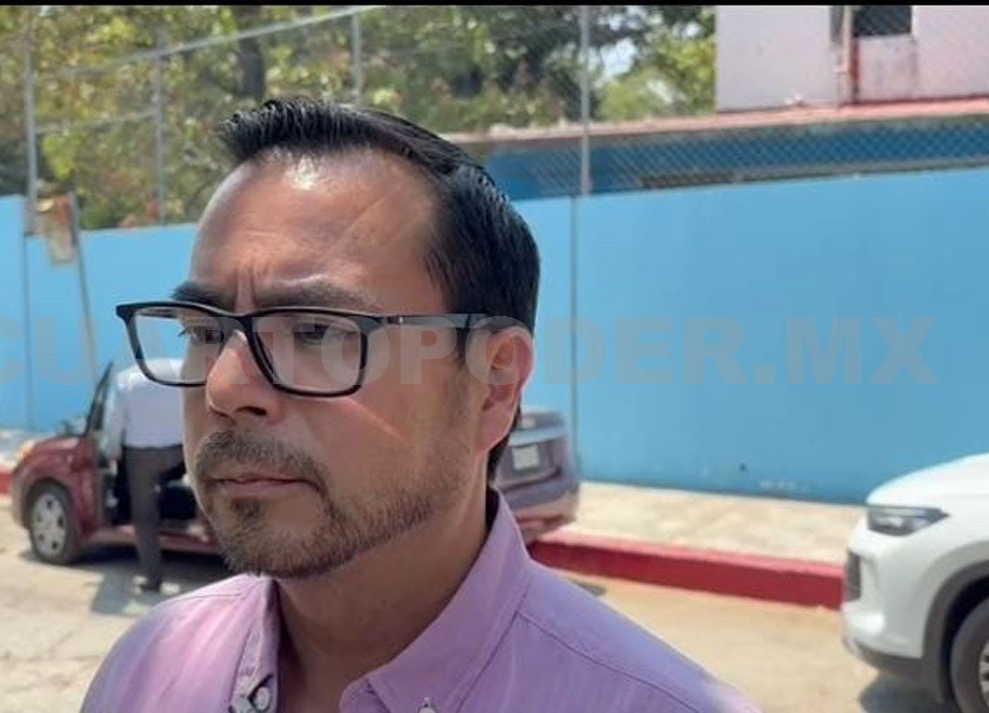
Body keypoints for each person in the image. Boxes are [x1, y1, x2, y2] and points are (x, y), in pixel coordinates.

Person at [83, 97, 760, 712]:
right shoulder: (145, 674)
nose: (225, 388)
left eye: (316, 332)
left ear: (493, 384)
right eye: (203, 332)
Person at [99, 359, 185, 593]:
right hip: (180, 450)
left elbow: (114, 423)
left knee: (144, 517)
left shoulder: (124, 381)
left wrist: (112, 450)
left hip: (141, 456)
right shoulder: (184, 371)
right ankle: (203, 526)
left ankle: (153, 578)